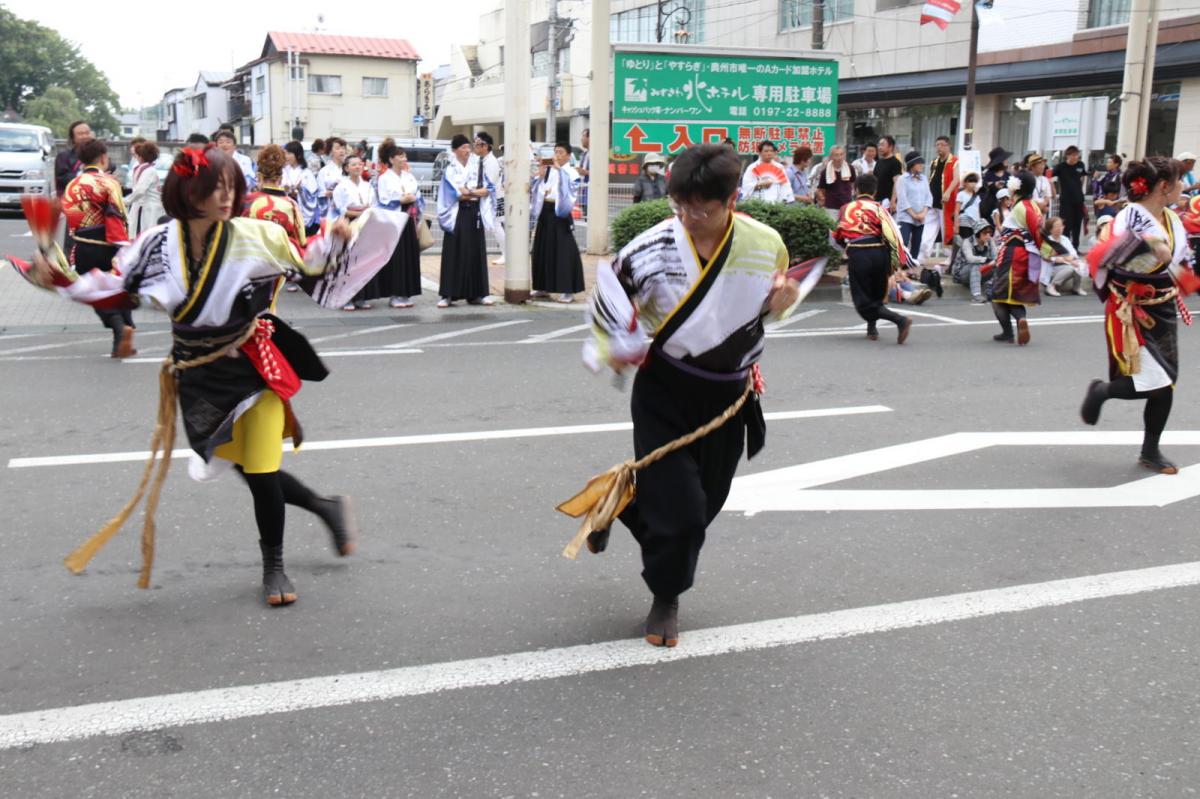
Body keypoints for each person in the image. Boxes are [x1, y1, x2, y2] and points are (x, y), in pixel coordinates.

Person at [23, 146, 380, 605]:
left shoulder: (257, 235)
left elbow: (308, 260)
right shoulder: (155, 244)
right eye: (216, 187)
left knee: (264, 469)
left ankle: (275, 568)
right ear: (189, 192)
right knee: (249, 469)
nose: (228, 196)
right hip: (199, 375)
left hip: (254, 364)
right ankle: (325, 507)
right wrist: (60, 280)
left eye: (233, 186)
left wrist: (335, 236)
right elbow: (114, 286)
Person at [581, 143, 802, 648]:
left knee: (704, 505)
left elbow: (769, 303)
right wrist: (613, 347)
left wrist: (783, 300)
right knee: (680, 514)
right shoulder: (650, 247)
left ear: (732, 199)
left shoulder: (765, 243)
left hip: (729, 394)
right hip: (666, 388)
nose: (689, 216)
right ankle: (666, 597)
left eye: (702, 207)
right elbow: (609, 305)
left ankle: (620, 505)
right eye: (681, 205)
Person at [1080, 157, 1196, 474]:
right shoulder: (1129, 216)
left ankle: (1150, 450)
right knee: (1152, 380)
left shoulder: (1173, 218)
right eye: (1179, 181)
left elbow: (1180, 261)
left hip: (1163, 306)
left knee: (1167, 380)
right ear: (1163, 187)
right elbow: (1105, 255)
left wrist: (1183, 274)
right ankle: (1102, 391)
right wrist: (1144, 247)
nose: (1183, 187)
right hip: (1132, 307)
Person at [61, 138, 137, 358]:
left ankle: (118, 329)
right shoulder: (109, 182)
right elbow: (120, 214)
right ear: (104, 157)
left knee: (94, 293)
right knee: (116, 288)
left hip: (84, 245)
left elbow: (71, 218)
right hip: (109, 244)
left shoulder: (73, 185)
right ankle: (123, 332)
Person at [834, 173, 914, 343]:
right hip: (879, 253)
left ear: (856, 190)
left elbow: (838, 236)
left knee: (863, 298)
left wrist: (844, 247)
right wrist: (894, 262)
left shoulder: (846, 208)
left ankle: (900, 320)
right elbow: (892, 234)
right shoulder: (879, 208)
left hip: (859, 252)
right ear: (875, 191)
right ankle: (872, 328)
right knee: (877, 295)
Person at [437, 134, 494, 308]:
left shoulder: (478, 165)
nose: (467, 151)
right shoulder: (450, 169)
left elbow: (487, 189)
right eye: (463, 148)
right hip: (457, 213)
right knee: (454, 251)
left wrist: (471, 192)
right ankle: (448, 294)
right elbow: (456, 193)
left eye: (468, 147)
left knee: (476, 251)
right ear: (455, 151)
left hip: (474, 211)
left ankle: (478, 293)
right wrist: (471, 191)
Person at [366, 138, 423, 309]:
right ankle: (394, 294)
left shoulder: (409, 176)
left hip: (408, 219)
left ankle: (405, 292)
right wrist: (401, 198)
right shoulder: (385, 178)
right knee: (396, 257)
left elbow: (417, 194)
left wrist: (413, 198)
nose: (404, 159)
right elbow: (384, 199)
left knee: (409, 256)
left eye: (404, 157)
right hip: (394, 221)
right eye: (400, 157)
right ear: (391, 160)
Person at [990, 172, 1043, 345]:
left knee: (998, 295)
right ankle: (1020, 319)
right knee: (1014, 294)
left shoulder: (1022, 207)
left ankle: (1009, 330)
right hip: (1026, 254)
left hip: (1013, 254)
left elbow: (1036, 230)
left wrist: (1049, 250)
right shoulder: (1032, 205)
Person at [531, 142, 585, 303]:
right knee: (542, 248)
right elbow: (539, 189)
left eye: (561, 152)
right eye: (556, 152)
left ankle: (568, 289)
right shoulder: (549, 170)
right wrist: (541, 174)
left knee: (564, 251)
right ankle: (542, 287)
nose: (558, 155)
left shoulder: (570, 172)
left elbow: (569, 191)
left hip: (560, 212)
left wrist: (559, 170)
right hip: (545, 210)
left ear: (568, 156)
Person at [332, 154, 377, 311]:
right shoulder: (341, 187)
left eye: (359, 164)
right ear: (346, 168)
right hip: (349, 224)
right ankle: (346, 297)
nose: (358, 167)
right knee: (348, 261)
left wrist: (367, 212)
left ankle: (361, 297)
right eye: (353, 165)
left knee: (363, 262)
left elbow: (373, 205)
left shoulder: (368, 186)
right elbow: (341, 209)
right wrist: (361, 212)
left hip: (365, 224)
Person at [243, 144, 308, 248]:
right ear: (280, 179)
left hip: (253, 258)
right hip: (282, 260)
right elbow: (302, 242)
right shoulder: (292, 205)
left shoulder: (247, 201)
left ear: (259, 177)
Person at [921, 136, 958, 262]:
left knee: (947, 232)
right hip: (933, 202)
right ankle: (921, 257)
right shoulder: (934, 162)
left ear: (949, 146)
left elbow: (957, 178)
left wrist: (947, 192)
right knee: (927, 230)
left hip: (946, 203)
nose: (939, 147)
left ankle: (951, 259)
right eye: (937, 145)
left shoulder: (955, 161)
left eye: (942, 145)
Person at [473, 132, 507, 266]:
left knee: (496, 225)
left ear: (485, 146)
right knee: (495, 225)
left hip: (495, 198)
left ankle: (506, 254)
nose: (475, 147)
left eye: (477, 144)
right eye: (474, 144)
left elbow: (490, 185)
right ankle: (505, 254)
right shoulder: (482, 160)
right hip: (489, 198)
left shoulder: (491, 162)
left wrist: (475, 192)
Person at [895, 151, 931, 263]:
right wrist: (914, 215)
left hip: (921, 217)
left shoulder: (924, 178)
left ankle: (912, 267)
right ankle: (901, 266)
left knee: (916, 243)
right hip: (906, 217)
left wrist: (923, 213)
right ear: (911, 164)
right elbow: (902, 199)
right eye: (918, 163)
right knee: (904, 242)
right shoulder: (902, 179)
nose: (921, 165)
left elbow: (929, 197)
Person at [1039, 216, 1087, 296]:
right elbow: (1049, 258)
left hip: (1065, 266)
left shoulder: (1065, 239)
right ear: (1050, 229)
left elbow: (1073, 253)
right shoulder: (1047, 241)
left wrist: (1070, 259)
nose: (1059, 228)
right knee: (1072, 267)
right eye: (1056, 226)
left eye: (1061, 226)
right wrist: (1066, 259)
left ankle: (1076, 287)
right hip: (1051, 268)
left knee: (1079, 265)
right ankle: (1051, 286)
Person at [951, 218, 996, 303]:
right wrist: (987, 260)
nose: (988, 235)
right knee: (976, 265)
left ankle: (992, 291)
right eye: (985, 233)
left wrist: (993, 262)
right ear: (977, 233)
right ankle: (976, 295)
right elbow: (970, 258)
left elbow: (995, 257)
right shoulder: (967, 242)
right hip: (962, 273)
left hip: (981, 270)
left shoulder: (990, 241)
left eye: (990, 232)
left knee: (997, 266)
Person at [1055, 145, 1089, 248]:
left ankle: (1075, 247)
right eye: (1073, 155)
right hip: (1066, 201)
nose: (1076, 157)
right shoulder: (1060, 167)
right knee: (1066, 225)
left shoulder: (1080, 165)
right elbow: (1050, 176)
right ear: (1067, 155)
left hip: (1078, 200)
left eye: (1077, 155)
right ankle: (1065, 247)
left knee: (1077, 224)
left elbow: (1083, 177)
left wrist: (1079, 190)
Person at [127, 140, 163, 237]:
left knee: (147, 235)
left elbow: (140, 191)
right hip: (145, 207)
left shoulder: (148, 171)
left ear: (140, 156)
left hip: (150, 208)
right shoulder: (146, 169)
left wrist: (125, 201)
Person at [55, 121, 93, 195]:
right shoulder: (63, 157)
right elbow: (62, 178)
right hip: (72, 199)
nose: (85, 136)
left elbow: (110, 166)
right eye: (80, 134)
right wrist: (85, 175)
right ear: (72, 138)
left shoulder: (98, 154)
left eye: (87, 133)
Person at [816, 145, 856, 214]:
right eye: (836, 155)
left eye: (841, 154)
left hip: (847, 205)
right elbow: (821, 189)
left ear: (844, 155)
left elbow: (853, 183)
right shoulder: (825, 172)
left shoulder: (850, 168)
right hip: (831, 207)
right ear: (831, 157)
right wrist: (823, 199)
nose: (839, 157)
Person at [979, 147, 1011, 226]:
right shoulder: (988, 175)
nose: (1006, 160)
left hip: (1005, 209)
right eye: (1004, 159)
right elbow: (983, 188)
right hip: (991, 207)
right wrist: (993, 185)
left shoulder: (1008, 175)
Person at [318, 137, 348, 220]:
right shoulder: (324, 171)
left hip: (347, 211)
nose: (341, 151)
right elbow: (320, 193)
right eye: (337, 148)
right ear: (331, 151)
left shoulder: (347, 169)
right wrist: (328, 193)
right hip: (330, 210)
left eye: (343, 148)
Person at [873, 136, 904, 208]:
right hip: (877, 201)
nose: (879, 147)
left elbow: (897, 183)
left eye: (882, 145)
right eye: (879, 145)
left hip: (888, 202)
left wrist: (893, 201)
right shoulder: (879, 162)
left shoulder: (895, 162)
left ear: (891, 147)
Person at [578, 128, 591, 217]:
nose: (581, 139)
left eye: (583, 136)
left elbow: (601, 172)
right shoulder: (585, 153)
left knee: (590, 215)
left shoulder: (597, 153)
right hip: (583, 188)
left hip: (591, 190)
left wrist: (585, 172)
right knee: (585, 216)